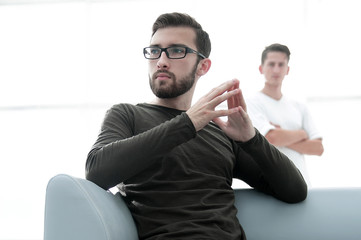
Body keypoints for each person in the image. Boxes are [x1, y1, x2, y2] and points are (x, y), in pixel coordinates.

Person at [85, 13, 307, 240]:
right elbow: (96, 171)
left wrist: (251, 138)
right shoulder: (126, 115)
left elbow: (295, 191)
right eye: (154, 51)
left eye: (176, 51)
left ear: (203, 66)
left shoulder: (221, 131)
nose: (161, 61)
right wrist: (187, 123)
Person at [246, 43, 324, 186]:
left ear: (287, 70)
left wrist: (282, 135)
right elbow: (272, 138)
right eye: (271, 64)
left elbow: (318, 148)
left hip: (303, 184)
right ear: (261, 68)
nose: (276, 69)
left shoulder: (299, 107)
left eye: (281, 64)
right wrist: (301, 134)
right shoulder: (252, 103)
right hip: (270, 185)